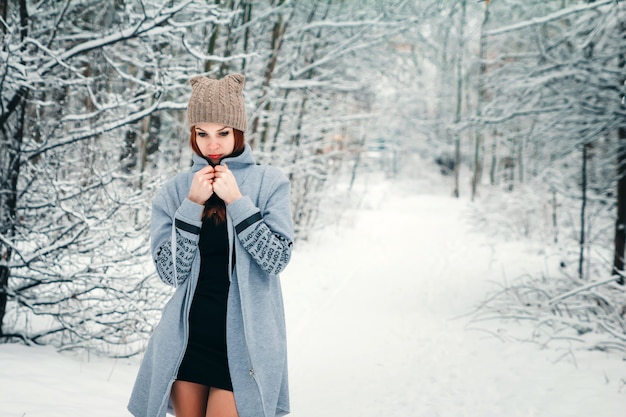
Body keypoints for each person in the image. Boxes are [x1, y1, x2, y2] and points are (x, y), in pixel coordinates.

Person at [128, 73, 294, 417]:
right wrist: (191, 206)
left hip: (245, 342)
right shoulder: (174, 190)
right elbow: (170, 272)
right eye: (202, 133)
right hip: (187, 340)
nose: (212, 144)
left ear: (239, 133)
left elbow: (276, 259)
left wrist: (237, 201)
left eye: (222, 133)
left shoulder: (269, 183)